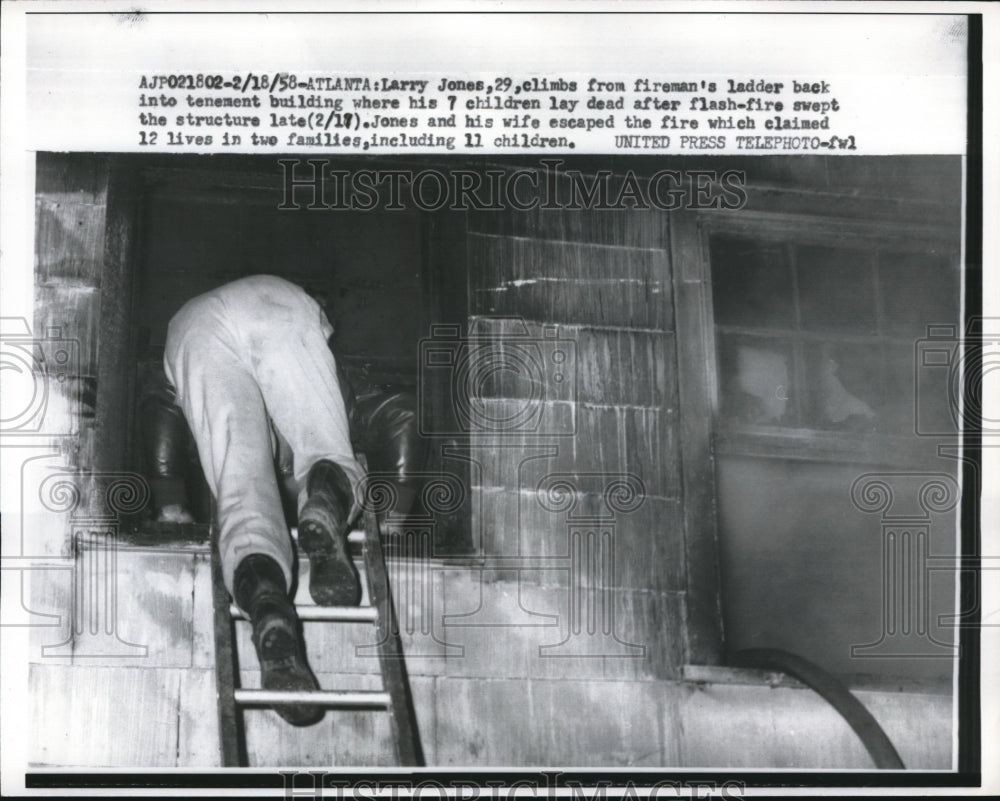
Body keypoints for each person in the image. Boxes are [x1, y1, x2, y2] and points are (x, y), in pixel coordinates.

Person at [164, 274, 365, 726]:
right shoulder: (328, 356)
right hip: (275, 302)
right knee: (329, 452)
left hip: (190, 326)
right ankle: (326, 506)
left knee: (244, 502)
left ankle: (270, 611)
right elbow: (303, 447)